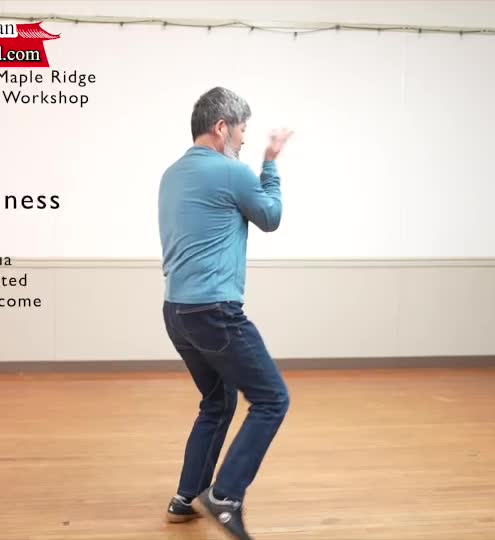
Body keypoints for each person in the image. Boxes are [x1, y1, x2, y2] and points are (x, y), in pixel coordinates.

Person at [158, 86, 293, 540]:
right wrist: (270, 164)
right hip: (215, 311)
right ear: (221, 127)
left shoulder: (172, 173)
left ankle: (187, 497)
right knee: (272, 399)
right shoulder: (231, 171)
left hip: (177, 312)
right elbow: (270, 217)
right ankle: (225, 496)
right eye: (242, 130)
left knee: (217, 402)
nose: (244, 139)